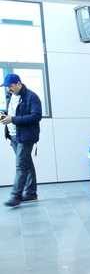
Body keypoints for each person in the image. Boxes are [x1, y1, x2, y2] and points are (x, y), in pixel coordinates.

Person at [2, 73, 42, 208]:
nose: (9, 89)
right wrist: (5, 117)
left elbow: (36, 116)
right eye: (7, 87)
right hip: (13, 136)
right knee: (27, 164)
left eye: (11, 86)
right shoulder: (11, 97)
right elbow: (12, 114)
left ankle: (15, 196)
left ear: (18, 83)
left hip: (26, 137)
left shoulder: (32, 97)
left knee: (20, 166)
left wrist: (12, 119)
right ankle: (31, 193)